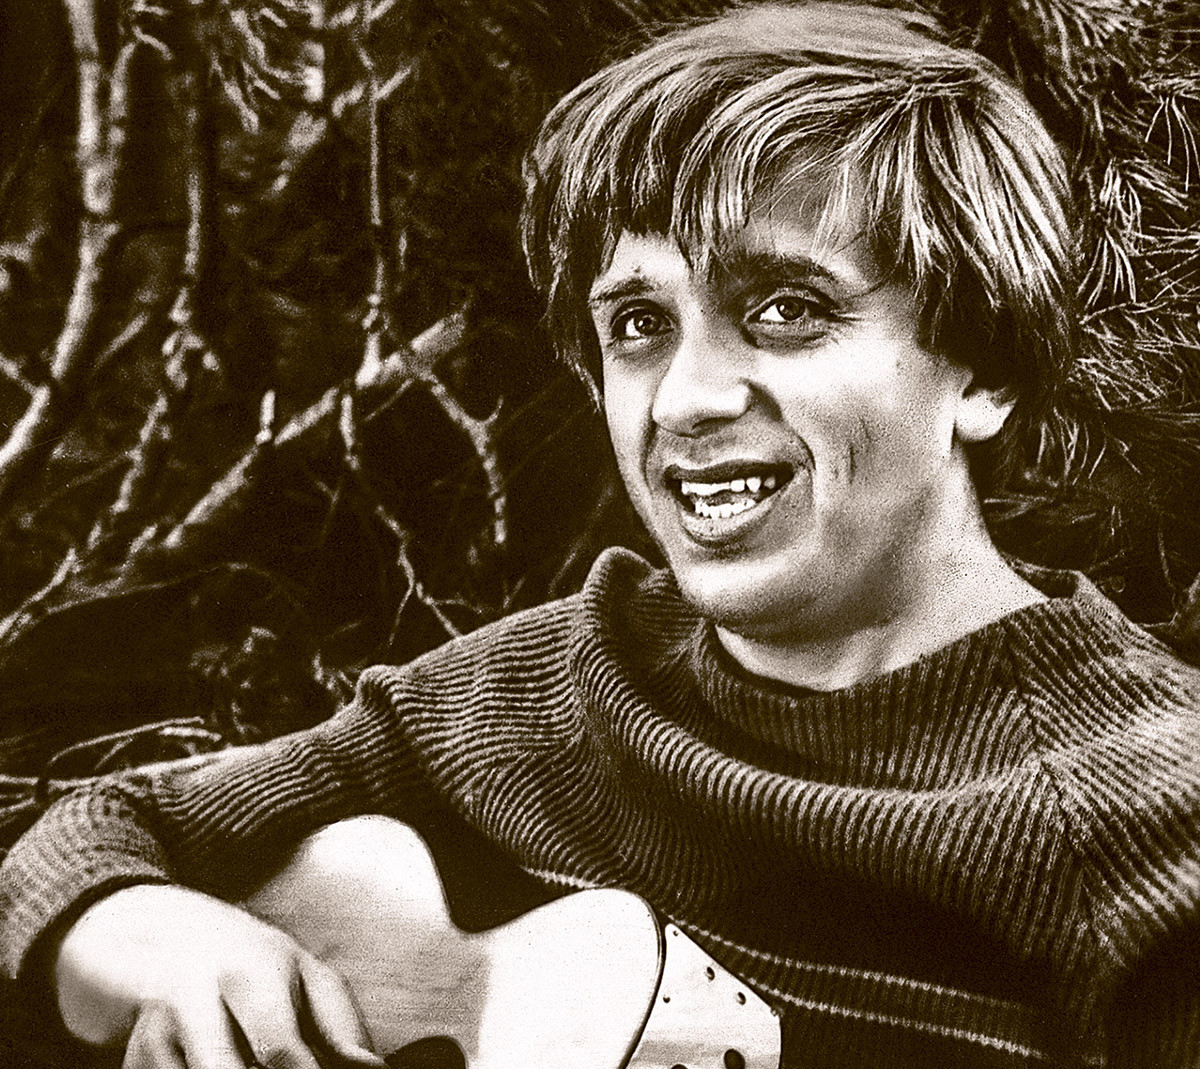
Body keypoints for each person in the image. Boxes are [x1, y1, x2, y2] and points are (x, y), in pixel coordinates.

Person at [4, 3, 1200, 1067]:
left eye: (786, 309)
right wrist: (158, 943)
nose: (685, 398)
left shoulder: (1146, 825)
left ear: (983, 368)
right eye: (638, 323)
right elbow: (99, 833)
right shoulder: (538, 687)